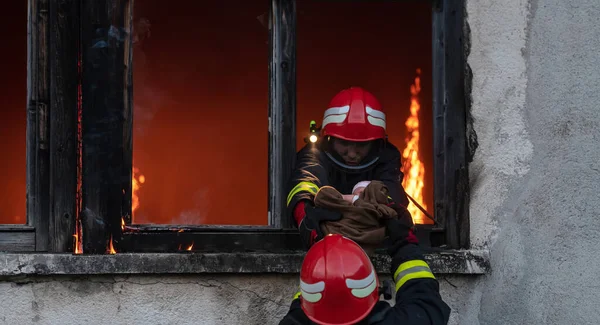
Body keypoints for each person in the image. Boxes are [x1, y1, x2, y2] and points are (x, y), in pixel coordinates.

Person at [278, 204, 450, 325]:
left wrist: (323, 252)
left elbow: (306, 304)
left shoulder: (295, 320)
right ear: (376, 288)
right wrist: (404, 242)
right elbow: (426, 302)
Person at [287, 87, 410, 248]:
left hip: (374, 239)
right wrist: (303, 213)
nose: (352, 154)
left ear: (376, 143)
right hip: (327, 238)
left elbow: (393, 194)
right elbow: (305, 180)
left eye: (361, 145)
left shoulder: (387, 156)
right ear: (329, 138)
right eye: (344, 143)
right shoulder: (315, 153)